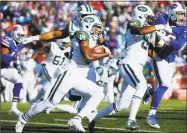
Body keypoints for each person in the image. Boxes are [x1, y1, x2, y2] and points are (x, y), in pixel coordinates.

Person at [15, 14, 110, 133]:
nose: (98, 30)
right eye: (96, 27)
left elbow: (101, 44)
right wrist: (106, 53)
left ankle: (76, 119)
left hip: (80, 76)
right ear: (87, 25)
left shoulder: (89, 35)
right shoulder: (82, 34)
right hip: (70, 74)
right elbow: (88, 55)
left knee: (99, 93)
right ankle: (24, 117)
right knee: (49, 103)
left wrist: (103, 46)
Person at [87, 5, 174, 132]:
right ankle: (131, 121)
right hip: (129, 63)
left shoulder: (148, 31)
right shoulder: (135, 24)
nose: (151, 20)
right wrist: (158, 27)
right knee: (142, 85)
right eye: (148, 18)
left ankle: (92, 116)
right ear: (140, 16)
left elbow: (152, 54)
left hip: (136, 67)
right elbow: (137, 30)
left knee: (123, 104)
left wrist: (162, 42)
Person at [144, 2, 186, 129]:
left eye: (183, 15)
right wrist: (156, 31)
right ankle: (150, 116)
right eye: (179, 14)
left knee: (161, 86)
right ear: (172, 14)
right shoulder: (161, 18)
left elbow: (179, 46)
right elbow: (149, 27)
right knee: (164, 84)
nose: (182, 17)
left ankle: (148, 91)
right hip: (158, 56)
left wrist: (167, 39)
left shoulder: (183, 28)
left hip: (171, 58)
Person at [1, 24, 28, 115]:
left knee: (19, 81)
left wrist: (18, 67)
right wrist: (17, 59)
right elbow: (3, 58)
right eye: (21, 35)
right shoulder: (7, 41)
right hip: (3, 64)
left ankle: (13, 107)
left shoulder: (20, 44)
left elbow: (16, 56)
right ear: (15, 34)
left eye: (23, 35)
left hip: (5, 68)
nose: (22, 37)